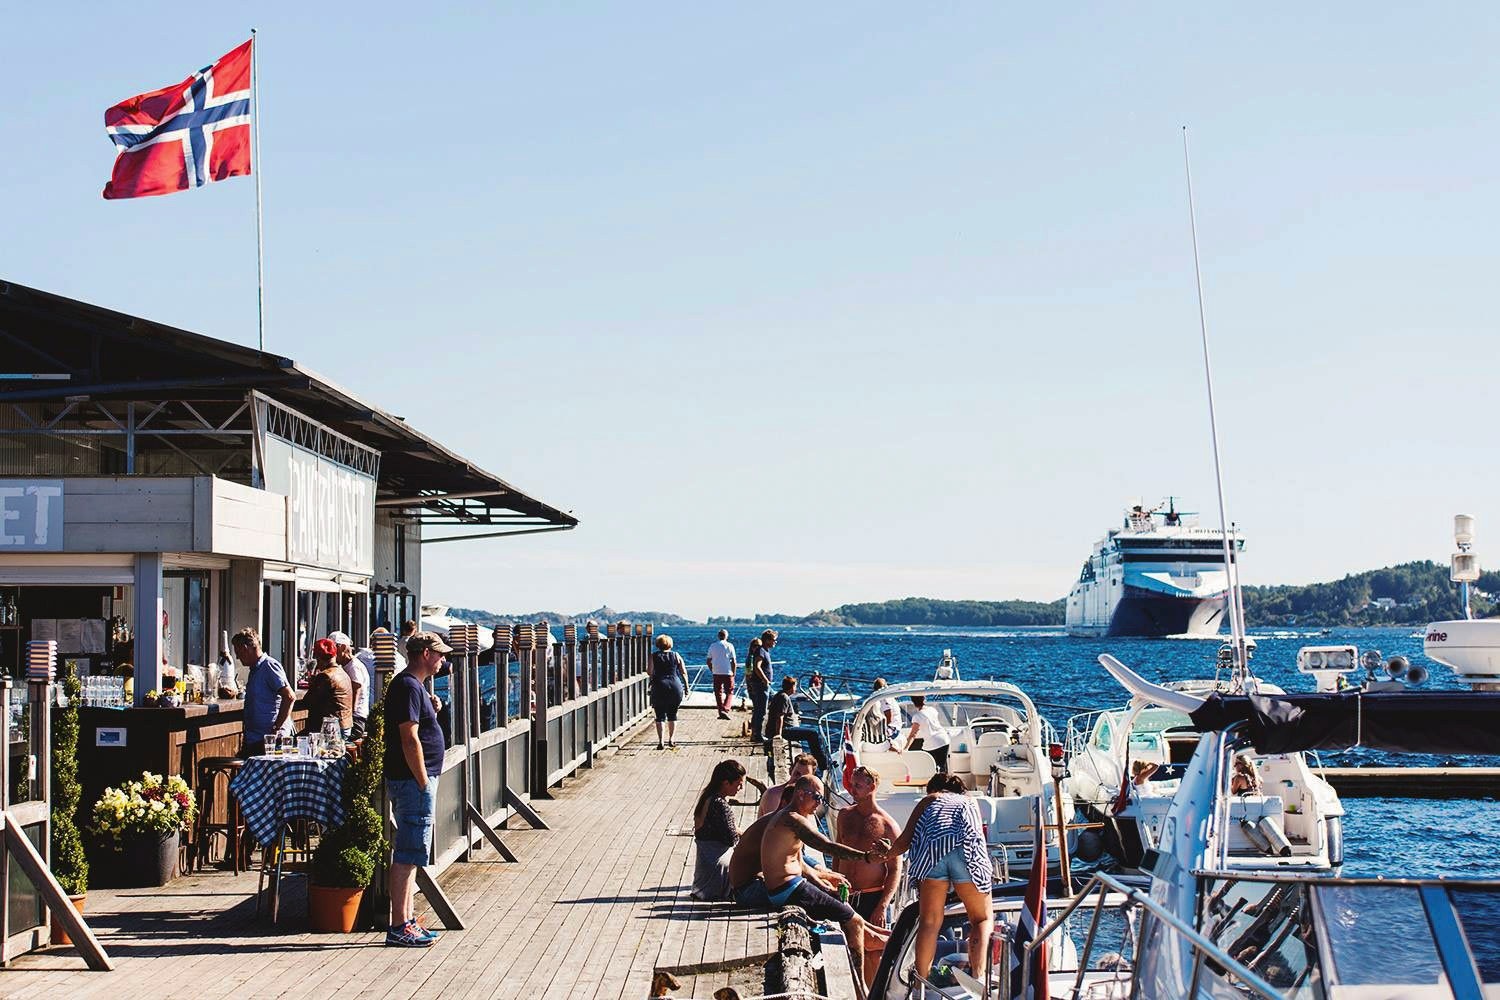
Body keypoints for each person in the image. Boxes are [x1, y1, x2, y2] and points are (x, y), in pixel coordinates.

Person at [755, 775, 891, 977]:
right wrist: (866, 857)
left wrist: (825, 880)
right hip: (788, 889)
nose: (820, 804)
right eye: (817, 797)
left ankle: (887, 938)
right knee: (853, 923)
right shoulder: (792, 819)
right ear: (801, 795)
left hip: (790, 886)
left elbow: (799, 863)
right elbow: (826, 846)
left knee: (845, 906)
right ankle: (861, 987)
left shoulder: (788, 817)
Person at [887, 773, 994, 986]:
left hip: (933, 854)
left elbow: (904, 841)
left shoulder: (930, 800)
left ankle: (920, 984)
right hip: (965, 851)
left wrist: (883, 855)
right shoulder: (969, 801)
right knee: (980, 919)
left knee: (929, 922)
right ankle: (978, 977)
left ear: (933, 789)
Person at [384, 630, 452, 948]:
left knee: (413, 853)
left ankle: (407, 919)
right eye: (439, 653)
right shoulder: (409, 686)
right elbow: (409, 737)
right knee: (409, 852)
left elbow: (419, 727)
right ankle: (398, 924)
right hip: (412, 781)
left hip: (414, 780)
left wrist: (431, 709)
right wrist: (423, 780)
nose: (442, 659)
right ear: (425, 653)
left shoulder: (415, 687)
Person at [835, 764, 903, 928]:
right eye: (852, 785)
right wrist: (834, 886)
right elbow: (837, 853)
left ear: (871, 787)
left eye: (857, 786)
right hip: (844, 896)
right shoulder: (844, 815)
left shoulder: (887, 825)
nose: (852, 790)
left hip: (872, 898)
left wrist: (882, 906)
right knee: (844, 947)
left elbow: (895, 869)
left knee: (873, 951)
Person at [691, 759, 747, 901]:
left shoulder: (707, 797)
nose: (741, 788)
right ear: (726, 783)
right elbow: (731, 839)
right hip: (716, 874)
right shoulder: (719, 804)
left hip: (705, 873)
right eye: (739, 784)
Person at [233, 627, 294, 757]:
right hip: (257, 738)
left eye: (238, 652)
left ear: (246, 648)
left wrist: (276, 727)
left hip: (270, 740)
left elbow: (289, 696)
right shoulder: (255, 669)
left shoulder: (269, 666)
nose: (237, 657)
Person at [764, 677, 829, 770]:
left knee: (810, 733)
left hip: (785, 728)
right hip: (785, 730)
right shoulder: (784, 697)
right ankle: (823, 764)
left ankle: (821, 762)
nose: (796, 689)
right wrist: (778, 734)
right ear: (791, 687)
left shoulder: (780, 695)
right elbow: (780, 716)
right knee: (813, 733)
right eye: (795, 686)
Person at [303, 637, 353, 738]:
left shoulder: (325, 676)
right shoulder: (342, 672)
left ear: (319, 658)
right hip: (345, 725)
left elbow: (309, 701)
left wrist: (313, 684)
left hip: (331, 728)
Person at [648, 634, 689, 750]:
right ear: (670, 644)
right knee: (672, 714)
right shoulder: (676, 655)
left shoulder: (653, 656)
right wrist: (686, 687)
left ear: (658, 644)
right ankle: (671, 739)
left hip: (659, 685)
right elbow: (683, 672)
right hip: (675, 686)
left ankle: (661, 741)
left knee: (660, 715)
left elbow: (649, 672)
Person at [329, 630, 372, 739]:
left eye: (334, 648)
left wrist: (349, 719)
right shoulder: (346, 666)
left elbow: (355, 691)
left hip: (356, 720)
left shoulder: (354, 667)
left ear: (342, 648)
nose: (332, 653)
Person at [759, 752, 820, 818]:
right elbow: (773, 826)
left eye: (804, 777)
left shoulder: (808, 799)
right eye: (797, 774)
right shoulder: (773, 794)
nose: (799, 779)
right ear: (790, 771)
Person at [903, 695, 952, 772]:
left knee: (930, 768)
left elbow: (913, 735)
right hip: (944, 739)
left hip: (933, 742)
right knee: (943, 768)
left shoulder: (917, 716)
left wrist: (905, 749)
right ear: (924, 699)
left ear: (914, 703)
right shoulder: (932, 710)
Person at [746, 631, 776, 743]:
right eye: (773, 640)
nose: (775, 642)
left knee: (764, 706)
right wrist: (765, 680)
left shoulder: (764, 651)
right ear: (767, 640)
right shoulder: (761, 651)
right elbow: (757, 667)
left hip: (763, 684)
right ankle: (757, 735)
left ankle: (756, 732)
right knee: (761, 710)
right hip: (760, 684)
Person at [706, 629, 738, 720]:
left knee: (718, 692)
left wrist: (712, 669)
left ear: (718, 636)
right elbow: (733, 661)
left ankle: (721, 711)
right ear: (726, 636)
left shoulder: (713, 646)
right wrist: (734, 672)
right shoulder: (729, 646)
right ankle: (726, 709)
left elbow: (708, 660)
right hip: (728, 672)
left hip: (716, 672)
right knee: (730, 691)